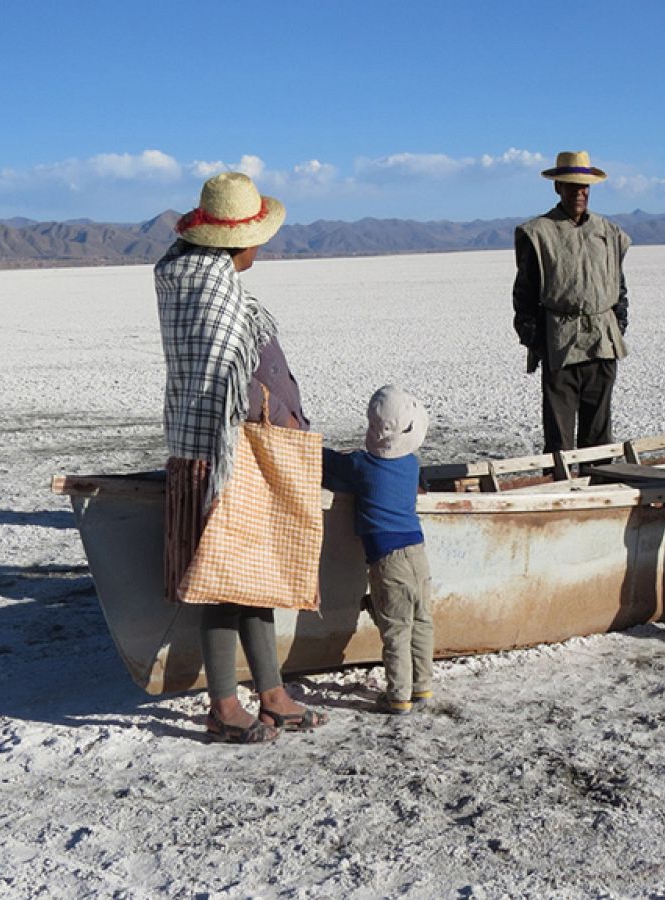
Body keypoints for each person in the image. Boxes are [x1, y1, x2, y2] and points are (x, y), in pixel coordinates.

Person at [156, 171, 327, 743]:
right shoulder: (214, 290)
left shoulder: (189, 278)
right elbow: (230, 379)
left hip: (210, 446)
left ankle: (272, 692)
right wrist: (280, 417)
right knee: (226, 580)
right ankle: (224, 704)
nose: (262, 247)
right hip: (222, 452)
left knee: (256, 572)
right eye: (257, 237)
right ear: (235, 241)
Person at [321, 386, 434, 716]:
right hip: (417, 552)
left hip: (388, 560)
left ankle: (398, 695)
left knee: (396, 629)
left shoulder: (361, 465)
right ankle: (422, 686)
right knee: (421, 621)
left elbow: (332, 464)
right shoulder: (411, 464)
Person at [512, 150, 632, 453]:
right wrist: (537, 340)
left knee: (599, 433)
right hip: (560, 343)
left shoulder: (609, 232)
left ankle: (601, 489)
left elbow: (619, 286)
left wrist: (618, 325)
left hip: (602, 343)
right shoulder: (538, 233)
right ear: (558, 187)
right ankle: (563, 491)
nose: (580, 193)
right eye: (572, 186)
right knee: (559, 438)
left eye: (584, 187)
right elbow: (524, 295)